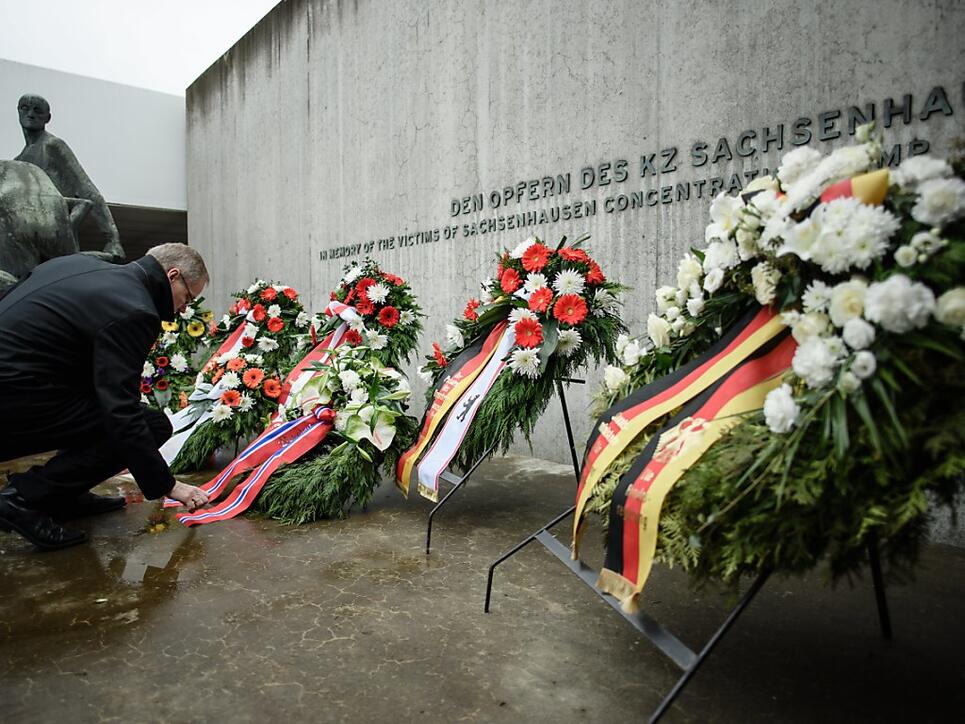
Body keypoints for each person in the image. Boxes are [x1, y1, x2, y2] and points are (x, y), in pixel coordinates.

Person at [0, 243, 212, 550]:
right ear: (172, 275)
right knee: (151, 425)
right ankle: (22, 499)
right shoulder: (135, 309)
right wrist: (168, 485)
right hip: (13, 401)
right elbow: (121, 410)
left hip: (21, 387)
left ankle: (61, 496)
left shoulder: (78, 264)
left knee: (108, 412)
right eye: (188, 297)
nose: (184, 308)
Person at [14, 94, 124, 261]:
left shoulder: (52, 146)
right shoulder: (19, 161)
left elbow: (86, 188)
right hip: (29, 237)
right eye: (25, 108)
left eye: (38, 110)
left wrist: (112, 238)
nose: (30, 114)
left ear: (47, 118)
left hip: (57, 232)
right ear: (18, 112)